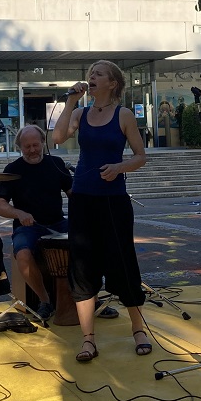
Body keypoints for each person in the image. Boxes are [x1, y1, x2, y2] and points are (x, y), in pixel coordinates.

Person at [52, 60, 149, 362]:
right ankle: (88, 338)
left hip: (113, 200)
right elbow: (56, 138)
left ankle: (138, 328)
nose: (91, 77)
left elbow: (140, 156)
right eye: (90, 73)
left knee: (122, 263)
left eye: (99, 74)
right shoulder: (80, 113)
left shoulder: (124, 115)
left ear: (113, 84)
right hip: (82, 197)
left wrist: (120, 167)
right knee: (82, 266)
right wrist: (70, 101)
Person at [0, 124, 72, 322]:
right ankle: (44, 301)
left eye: (36, 145)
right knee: (23, 255)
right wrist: (18, 213)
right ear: (20, 147)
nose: (32, 150)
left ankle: (89, 298)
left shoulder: (56, 163)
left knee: (88, 243)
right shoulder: (13, 170)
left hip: (58, 223)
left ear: (43, 143)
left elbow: (74, 194)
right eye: (26, 147)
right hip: (27, 227)